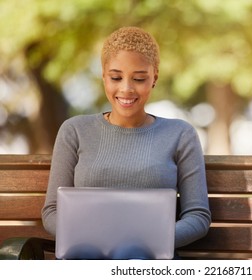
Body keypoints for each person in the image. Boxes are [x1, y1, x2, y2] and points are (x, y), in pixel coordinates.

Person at [41, 26, 211, 257]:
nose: (126, 89)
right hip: (85, 254)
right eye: (116, 77)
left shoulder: (180, 134)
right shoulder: (75, 131)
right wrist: (90, 238)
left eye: (139, 78)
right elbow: (52, 211)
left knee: (130, 253)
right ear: (103, 77)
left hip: (148, 258)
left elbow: (198, 216)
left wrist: (151, 240)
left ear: (154, 78)